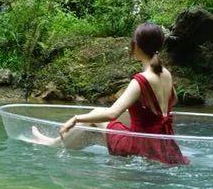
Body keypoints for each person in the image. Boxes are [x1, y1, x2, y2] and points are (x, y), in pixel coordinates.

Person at [28, 23, 189, 166]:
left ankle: (52, 144)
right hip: (164, 144)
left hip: (140, 145)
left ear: (137, 46)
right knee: (96, 125)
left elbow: (112, 114)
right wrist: (136, 114)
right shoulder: (166, 74)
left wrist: (75, 119)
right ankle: (55, 142)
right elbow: (168, 105)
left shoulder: (140, 80)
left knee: (94, 121)